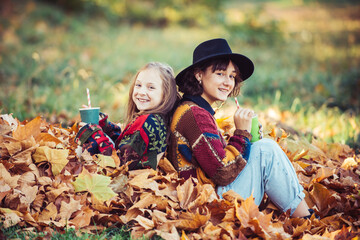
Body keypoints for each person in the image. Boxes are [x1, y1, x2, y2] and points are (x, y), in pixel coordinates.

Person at [168, 38, 311, 218]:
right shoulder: (196, 115)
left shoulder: (191, 109)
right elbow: (222, 171)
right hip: (206, 204)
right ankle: (306, 219)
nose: (228, 82)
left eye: (232, 76)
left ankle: (304, 215)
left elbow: (211, 158)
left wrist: (247, 140)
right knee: (267, 150)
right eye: (220, 73)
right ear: (198, 75)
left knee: (261, 148)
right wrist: (241, 134)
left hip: (205, 194)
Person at [75, 62, 178, 170]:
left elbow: (119, 165)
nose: (142, 92)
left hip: (126, 182)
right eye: (138, 85)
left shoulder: (147, 121)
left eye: (151, 87)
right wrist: (105, 126)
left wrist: (93, 134)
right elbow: (126, 147)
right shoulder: (158, 119)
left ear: (166, 94)